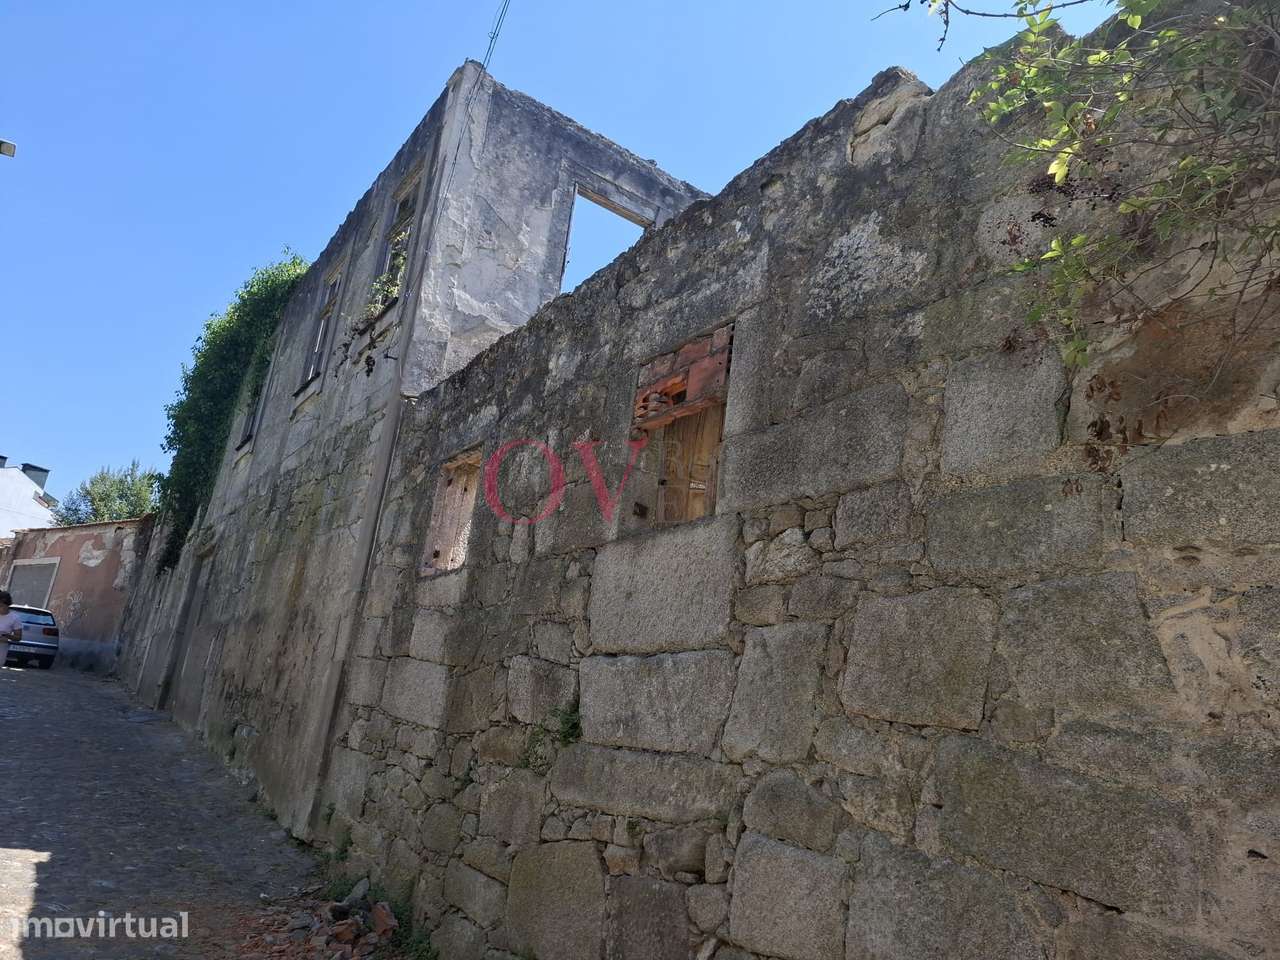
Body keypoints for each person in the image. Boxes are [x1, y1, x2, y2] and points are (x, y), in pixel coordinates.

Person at [0, 590, 22, 667]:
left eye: (1, 605)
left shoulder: (15, 618)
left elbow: (18, 637)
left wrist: (7, 635)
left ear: (7, 605)